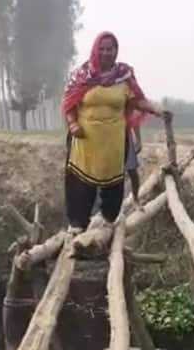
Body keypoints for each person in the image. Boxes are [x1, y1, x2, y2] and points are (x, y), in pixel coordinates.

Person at [61, 31, 170, 233]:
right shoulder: (82, 75)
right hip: (85, 140)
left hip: (113, 141)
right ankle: (77, 224)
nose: (105, 53)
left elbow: (137, 100)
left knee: (112, 180)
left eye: (110, 49)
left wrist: (156, 108)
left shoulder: (124, 76)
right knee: (80, 182)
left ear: (116, 50)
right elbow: (68, 103)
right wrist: (73, 123)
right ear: (95, 50)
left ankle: (108, 219)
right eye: (101, 49)